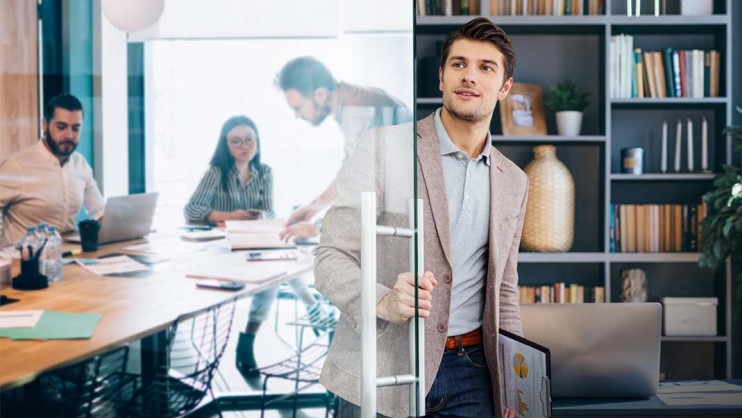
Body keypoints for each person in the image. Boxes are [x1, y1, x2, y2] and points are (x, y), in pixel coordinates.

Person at [314, 17, 526, 418]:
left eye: (486, 67)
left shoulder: (513, 180)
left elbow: (504, 291)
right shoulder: (382, 147)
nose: (469, 76)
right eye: (459, 64)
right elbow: (330, 257)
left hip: (472, 373)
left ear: (504, 88)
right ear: (441, 76)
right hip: (382, 365)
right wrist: (381, 300)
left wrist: (515, 386)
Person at [184, 115, 307, 376]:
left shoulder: (264, 172)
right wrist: (230, 216)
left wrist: (262, 217)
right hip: (223, 247)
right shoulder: (216, 172)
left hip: (253, 240)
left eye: (249, 139)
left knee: (280, 270)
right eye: (236, 141)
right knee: (278, 271)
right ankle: (314, 311)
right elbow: (192, 211)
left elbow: (270, 211)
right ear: (226, 145)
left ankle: (249, 339)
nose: (244, 146)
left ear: (257, 142)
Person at [274, 56, 412, 241]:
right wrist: (314, 207)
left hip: (400, 224)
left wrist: (317, 227)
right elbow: (352, 170)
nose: (297, 116)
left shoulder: (360, 111)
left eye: (298, 107)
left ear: (320, 95)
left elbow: (361, 184)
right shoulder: (352, 104)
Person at [0, 93, 105, 247]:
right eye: (61, 127)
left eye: (76, 128)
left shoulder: (80, 164)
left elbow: (99, 211)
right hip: (25, 260)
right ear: (44, 125)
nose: (69, 135)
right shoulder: (17, 165)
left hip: (69, 254)